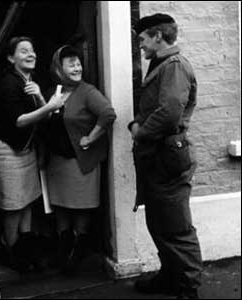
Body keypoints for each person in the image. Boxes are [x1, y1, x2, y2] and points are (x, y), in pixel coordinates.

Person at [129, 13, 203, 299]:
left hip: (167, 156)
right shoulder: (161, 65)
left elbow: (170, 112)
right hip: (158, 156)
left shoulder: (173, 66)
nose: (141, 46)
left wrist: (140, 131)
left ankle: (188, 288)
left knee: (175, 226)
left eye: (143, 39)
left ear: (158, 36)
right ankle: (171, 276)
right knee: (160, 222)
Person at [0, 36, 65, 272]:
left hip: (26, 149)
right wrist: (49, 105)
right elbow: (18, 121)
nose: (31, 54)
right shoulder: (8, 83)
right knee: (13, 205)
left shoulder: (30, 81)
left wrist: (42, 98)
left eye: (32, 51)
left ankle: (25, 248)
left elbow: (47, 116)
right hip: (8, 150)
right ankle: (11, 250)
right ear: (11, 58)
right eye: (23, 51)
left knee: (28, 201)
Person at [44, 45, 116, 273]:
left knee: (81, 207)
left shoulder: (87, 91)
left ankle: (79, 249)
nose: (77, 67)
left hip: (80, 163)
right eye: (70, 64)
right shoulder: (54, 92)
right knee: (61, 207)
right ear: (58, 68)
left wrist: (91, 137)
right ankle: (64, 247)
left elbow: (108, 114)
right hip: (57, 162)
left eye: (78, 63)